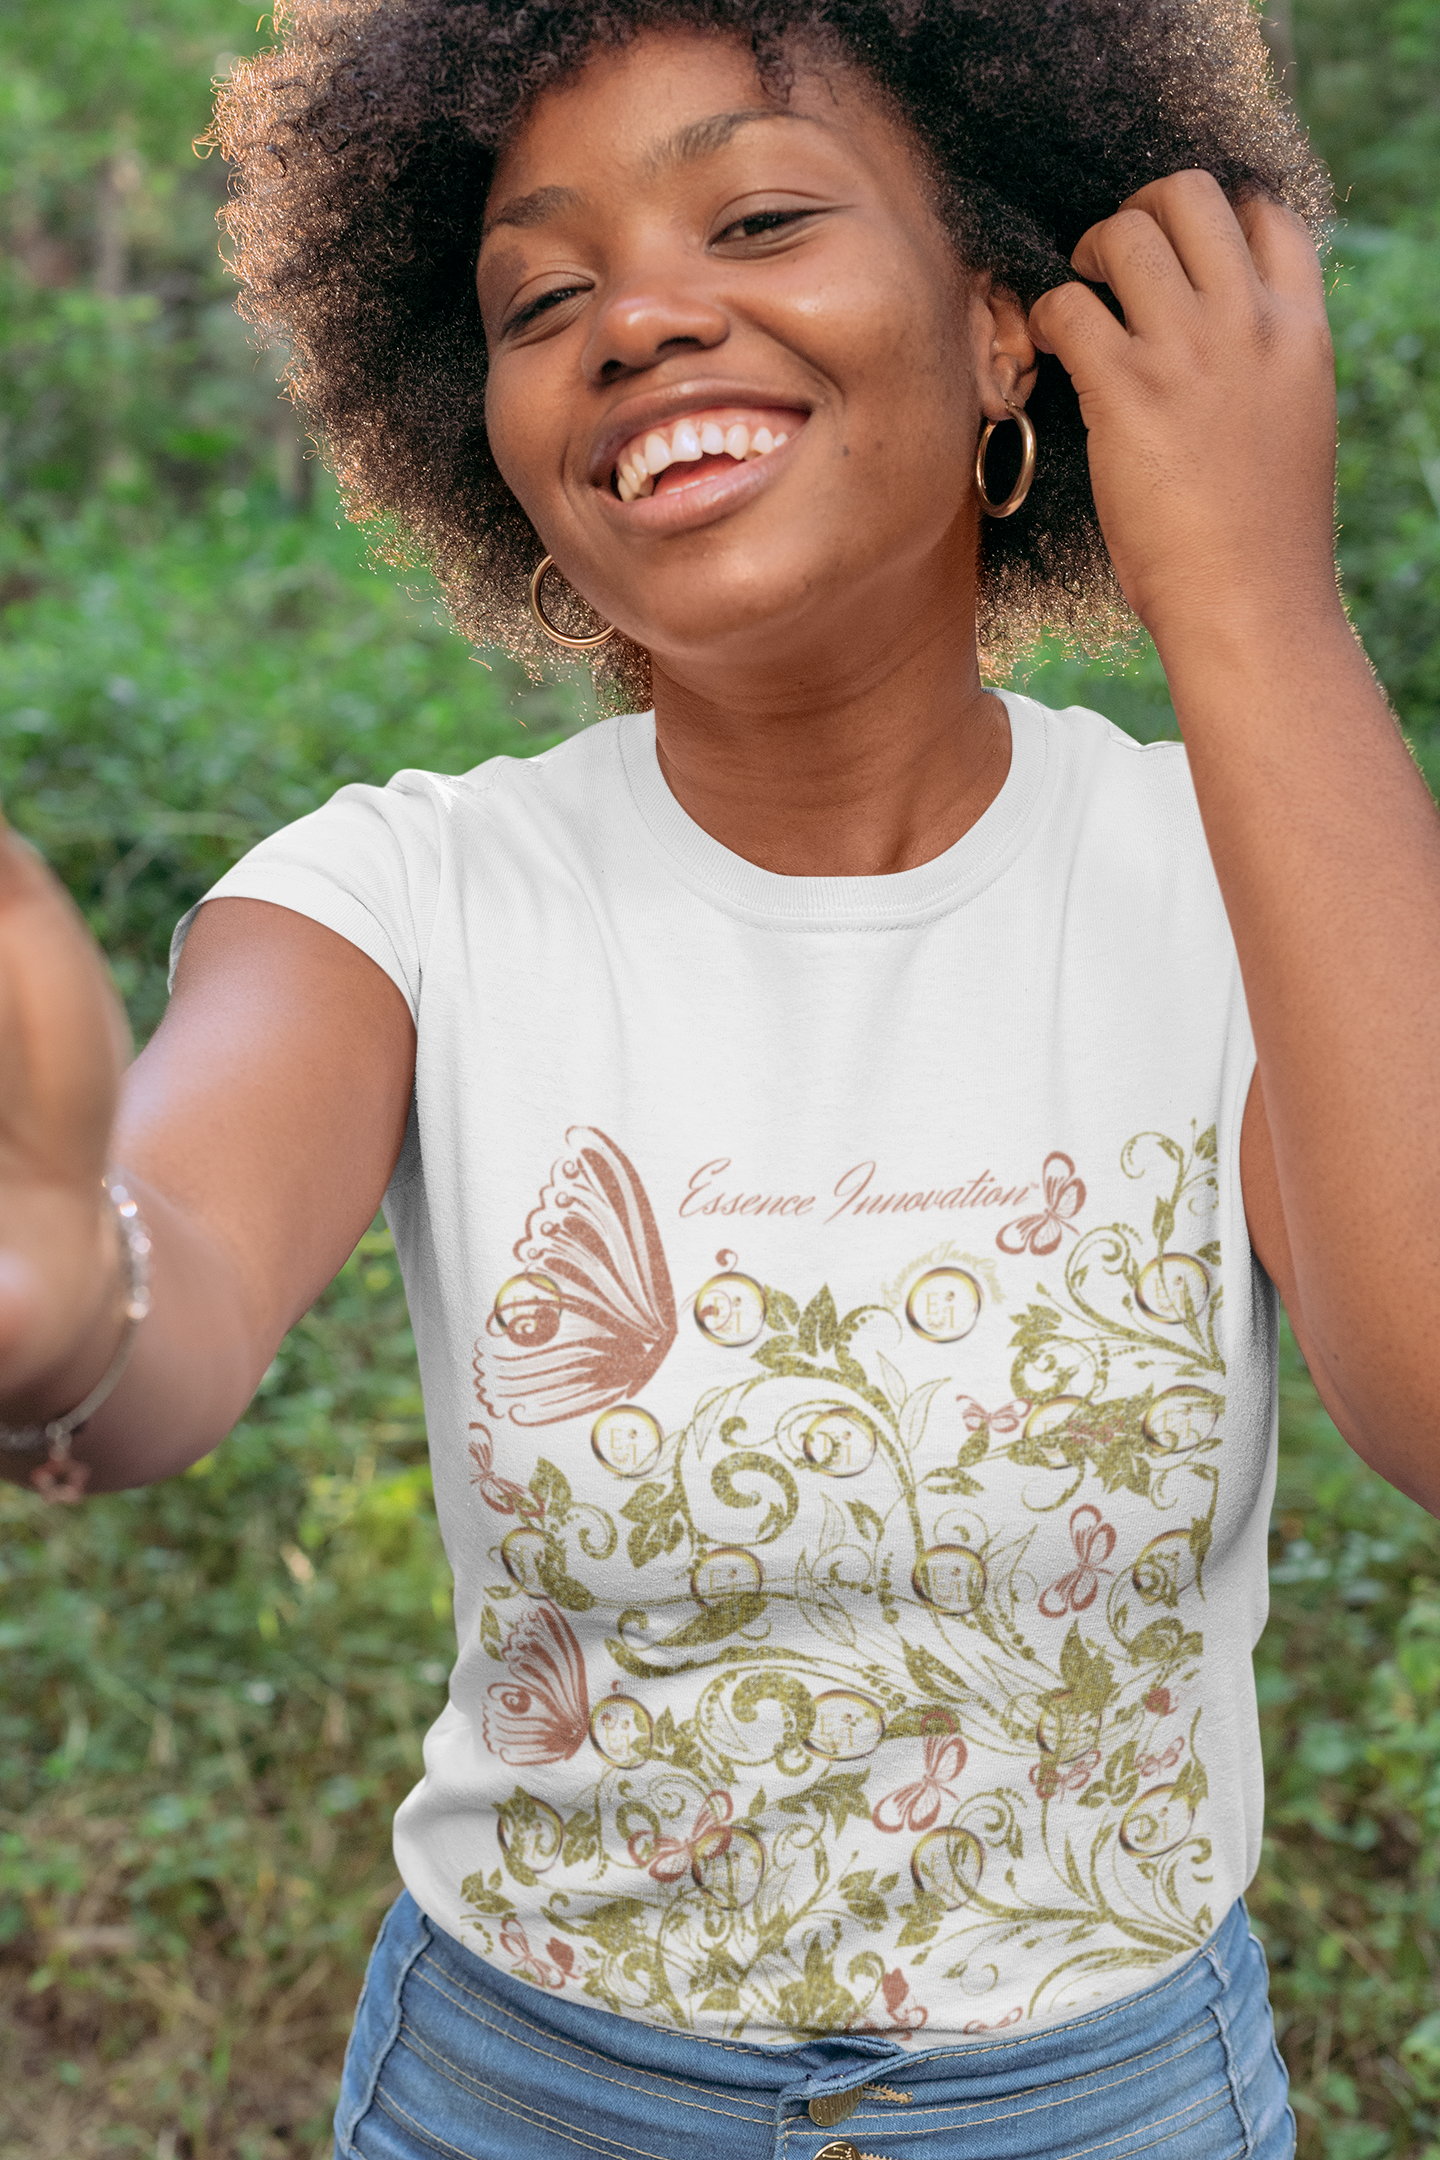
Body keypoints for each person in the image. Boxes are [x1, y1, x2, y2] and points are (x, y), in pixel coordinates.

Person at [4, 0, 1439, 2150]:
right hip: (521, 2093)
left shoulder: (1240, 872)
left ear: (995, 327)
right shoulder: (400, 895)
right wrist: (64, 1294)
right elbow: (175, 1281)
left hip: (1112, 2097)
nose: (640, 318)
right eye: (542, 294)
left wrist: (1251, 598)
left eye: (756, 212)